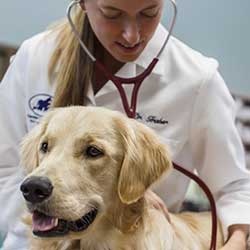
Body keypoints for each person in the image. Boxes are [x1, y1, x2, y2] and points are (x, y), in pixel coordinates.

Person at [0, 0, 249, 249]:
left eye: (149, 13)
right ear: (84, 4)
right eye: (112, 14)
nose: (132, 35)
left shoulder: (196, 79)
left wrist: (237, 240)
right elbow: (5, 167)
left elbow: (235, 187)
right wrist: (43, 227)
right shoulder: (34, 56)